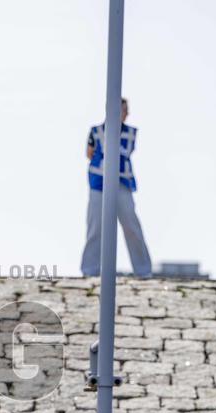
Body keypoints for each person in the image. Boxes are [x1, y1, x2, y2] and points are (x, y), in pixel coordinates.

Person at [81, 97, 152, 278]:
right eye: (123, 109)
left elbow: (126, 151)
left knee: (131, 226)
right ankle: (90, 270)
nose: (126, 113)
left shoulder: (130, 133)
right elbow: (89, 154)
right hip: (99, 184)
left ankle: (143, 271)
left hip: (122, 183)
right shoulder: (96, 131)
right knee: (95, 227)